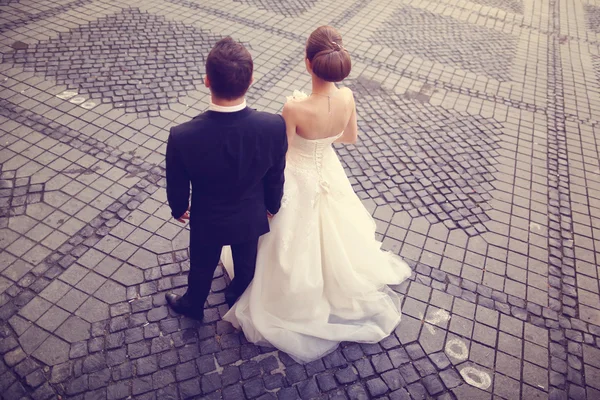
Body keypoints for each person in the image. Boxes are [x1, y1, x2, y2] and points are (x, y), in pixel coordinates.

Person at [221, 26, 412, 363]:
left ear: (308, 63)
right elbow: (349, 137)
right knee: (335, 229)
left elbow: (279, 154)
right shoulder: (348, 97)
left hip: (298, 176)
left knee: (288, 234)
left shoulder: (294, 108)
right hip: (327, 170)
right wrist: (321, 142)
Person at [164, 37, 287, 321]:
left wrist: (178, 207)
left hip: (208, 217)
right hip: (251, 213)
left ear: (207, 81)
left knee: (201, 263)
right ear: (251, 80)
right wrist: (273, 205)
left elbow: (177, 181)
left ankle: (193, 304)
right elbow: (275, 174)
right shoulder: (273, 127)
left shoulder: (183, 135)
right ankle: (236, 296)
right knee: (246, 263)